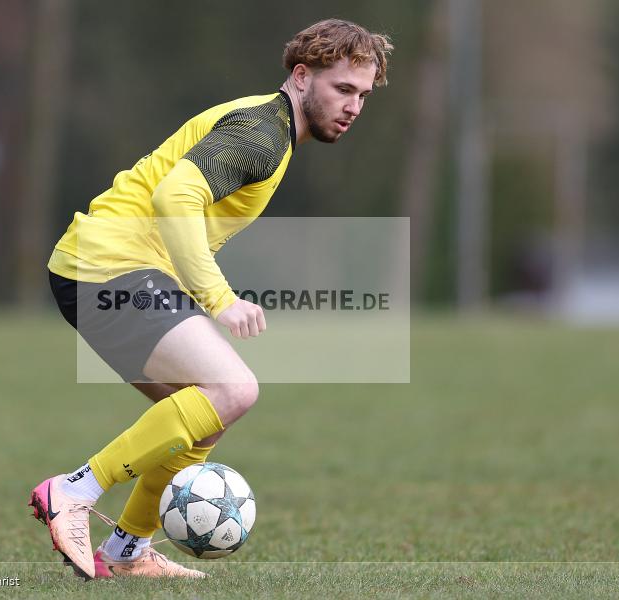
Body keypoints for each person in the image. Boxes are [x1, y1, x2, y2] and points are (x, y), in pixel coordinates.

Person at [30, 18, 392, 579]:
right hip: (109, 265)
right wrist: (219, 299)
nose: (354, 107)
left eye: (363, 95)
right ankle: (73, 491)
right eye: (343, 89)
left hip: (98, 267)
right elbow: (177, 194)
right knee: (233, 387)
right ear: (301, 77)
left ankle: (126, 551)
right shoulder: (263, 131)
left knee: (207, 415)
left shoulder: (271, 131)